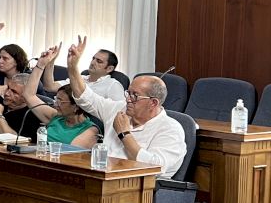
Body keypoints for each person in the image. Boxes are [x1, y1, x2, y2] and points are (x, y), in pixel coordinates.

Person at [65, 36, 185, 177]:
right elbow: (85, 97)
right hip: (102, 176)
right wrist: (72, 67)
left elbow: (155, 167)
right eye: (128, 93)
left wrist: (124, 134)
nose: (127, 99)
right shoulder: (118, 109)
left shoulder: (170, 128)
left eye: (135, 95)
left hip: (138, 185)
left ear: (153, 103)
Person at [0, 22, 44, 138]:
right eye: (8, 88)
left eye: (14, 92)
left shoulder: (31, 115)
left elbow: (14, 139)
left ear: (26, 96)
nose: (7, 93)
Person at [23, 46, 100, 149]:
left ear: (76, 106)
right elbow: (29, 95)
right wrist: (41, 64)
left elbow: (71, 152)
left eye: (60, 101)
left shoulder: (91, 130)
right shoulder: (56, 116)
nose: (55, 104)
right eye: (56, 99)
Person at [43, 47, 125, 103]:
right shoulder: (81, 78)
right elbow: (49, 87)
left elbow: (118, 112)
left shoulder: (113, 85)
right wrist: (51, 61)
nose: (93, 63)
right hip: (60, 110)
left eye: (99, 61)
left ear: (109, 68)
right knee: (39, 96)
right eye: (93, 59)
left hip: (85, 121)